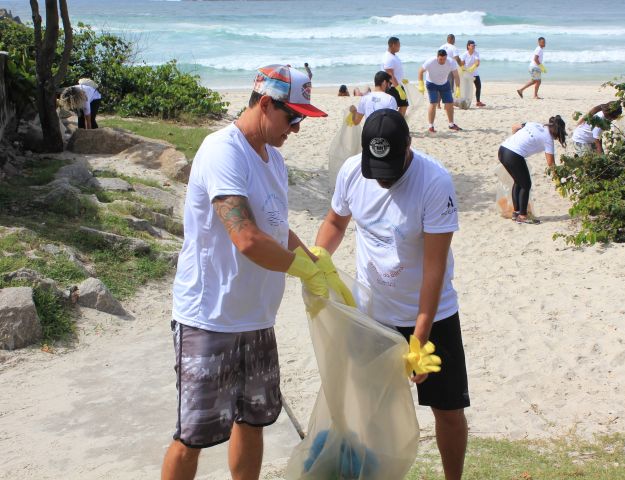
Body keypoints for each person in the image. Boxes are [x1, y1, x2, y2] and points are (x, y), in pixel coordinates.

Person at [161, 64, 348, 480]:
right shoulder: (222, 151)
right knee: (194, 434)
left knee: (254, 420)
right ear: (265, 103)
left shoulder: (273, 161)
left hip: (258, 318)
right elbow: (244, 236)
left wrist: (316, 262)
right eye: (292, 116)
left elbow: (276, 231)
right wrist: (301, 270)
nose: (297, 128)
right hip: (210, 319)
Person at [314, 109, 470, 480]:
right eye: (376, 169)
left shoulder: (434, 183)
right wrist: (318, 260)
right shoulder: (353, 172)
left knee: (447, 410)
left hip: (432, 317)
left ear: (408, 149)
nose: (383, 181)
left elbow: (433, 272)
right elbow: (335, 222)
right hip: (372, 317)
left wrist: (419, 339)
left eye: (391, 170)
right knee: (370, 409)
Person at [498, 115, 567, 224]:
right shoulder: (548, 139)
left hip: (503, 149)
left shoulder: (535, 124)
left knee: (519, 182)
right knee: (526, 185)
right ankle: (523, 216)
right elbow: (551, 164)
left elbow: (514, 127)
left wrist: (517, 141)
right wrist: (557, 180)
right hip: (514, 155)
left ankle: (516, 213)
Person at [418, 49, 462, 132]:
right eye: (441, 59)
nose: (443, 61)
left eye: (444, 59)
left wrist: (458, 88)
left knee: (449, 103)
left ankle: (451, 124)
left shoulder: (451, 62)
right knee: (433, 103)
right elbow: (420, 71)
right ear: (437, 57)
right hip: (431, 84)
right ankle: (431, 126)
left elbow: (456, 75)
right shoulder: (431, 61)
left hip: (444, 84)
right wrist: (421, 84)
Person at [382, 36, 409, 117]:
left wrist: (402, 79)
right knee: (392, 108)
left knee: (404, 105)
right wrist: (399, 89)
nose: (400, 47)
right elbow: (390, 75)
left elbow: (397, 71)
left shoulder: (394, 55)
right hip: (392, 87)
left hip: (398, 85)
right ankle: (394, 125)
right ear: (393, 45)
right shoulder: (388, 58)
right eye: (399, 45)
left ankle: (399, 124)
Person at [461, 40, 485, 107]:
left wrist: (472, 68)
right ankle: (464, 101)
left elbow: (477, 63)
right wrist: (464, 69)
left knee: (478, 87)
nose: (474, 47)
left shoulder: (476, 53)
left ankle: (478, 102)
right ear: (468, 46)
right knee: (466, 89)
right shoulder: (464, 54)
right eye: (472, 45)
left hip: (475, 74)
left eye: (474, 46)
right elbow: (461, 64)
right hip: (467, 74)